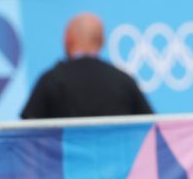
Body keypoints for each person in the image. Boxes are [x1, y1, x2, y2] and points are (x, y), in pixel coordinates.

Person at [21, 13, 153, 118]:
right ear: (102, 41)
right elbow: (150, 126)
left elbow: (30, 133)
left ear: (68, 38)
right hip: (115, 152)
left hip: (64, 153)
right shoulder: (124, 81)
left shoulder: (50, 80)